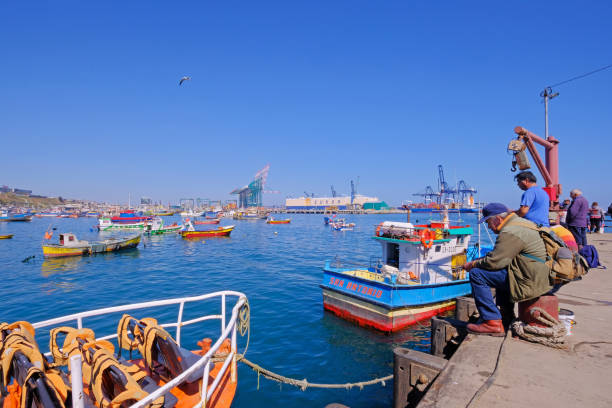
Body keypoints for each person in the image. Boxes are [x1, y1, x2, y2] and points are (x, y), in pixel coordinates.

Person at [463, 203, 552, 336]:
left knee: (477, 274)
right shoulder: (520, 223)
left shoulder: (510, 231)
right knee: (499, 271)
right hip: (537, 276)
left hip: (530, 280)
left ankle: (492, 322)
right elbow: (501, 258)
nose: (488, 227)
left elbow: (495, 262)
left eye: (488, 222)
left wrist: (472, 265)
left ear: (498, 219)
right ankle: (506, 315)